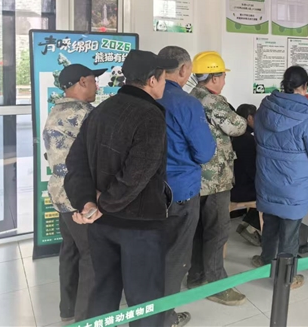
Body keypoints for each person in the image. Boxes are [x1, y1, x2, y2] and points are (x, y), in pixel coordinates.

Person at [64, 50, 177, 326]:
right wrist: (101, 204)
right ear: (152, 80)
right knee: (145, 300)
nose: (164, 84)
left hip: (101, 226)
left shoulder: (100, 110)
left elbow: (75, 163)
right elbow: (136, 176)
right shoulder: (150, 115)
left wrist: (87, 203)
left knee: (103, 293)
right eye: (164, 79)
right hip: (139, 226)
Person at [251, 66, 308, 289]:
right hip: (293, 183)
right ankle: (286, 278)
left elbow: (258, 138)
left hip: (267, 176)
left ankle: (266, 261)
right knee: (290, 231)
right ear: (305, 86)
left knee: (270, 223)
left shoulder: (265, 106)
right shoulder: (306, 115)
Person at [157, 46, 216, 327]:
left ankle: (143, 308)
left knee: (151, 251)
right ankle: (164, 318)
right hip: (180, 190)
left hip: (145, 190)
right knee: (175, 256)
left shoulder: (146, 96)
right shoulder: (186, 103)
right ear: (183, 70)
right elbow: (204, 152)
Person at [43, 64, 105, 322]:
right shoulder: (86, 114)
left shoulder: (56, 110)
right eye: (93, 80)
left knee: (70, 251)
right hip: (81, 196)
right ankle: (87, 318)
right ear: (82, 81)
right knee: (93, 255)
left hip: (60, 194)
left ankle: (67, 310)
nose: (97, 85)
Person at [187, 51, 248, 306]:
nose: (223, 81)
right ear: (214, 77)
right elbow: (238, 126)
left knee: (199, 229)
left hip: (195, 177)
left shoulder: (190, 97)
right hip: (215, 178)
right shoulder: (212, 101)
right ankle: (216, 283)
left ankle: (196, 276)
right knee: (218, 230)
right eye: (222, 76)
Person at [231, 104, 261, 247]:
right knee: (271, 192)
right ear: (249, 118)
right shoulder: (247, 140)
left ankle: (247, 223)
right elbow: (253, 171)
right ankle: (252, 227)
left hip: (232, 186)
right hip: (241, 190)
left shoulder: (233, 135)